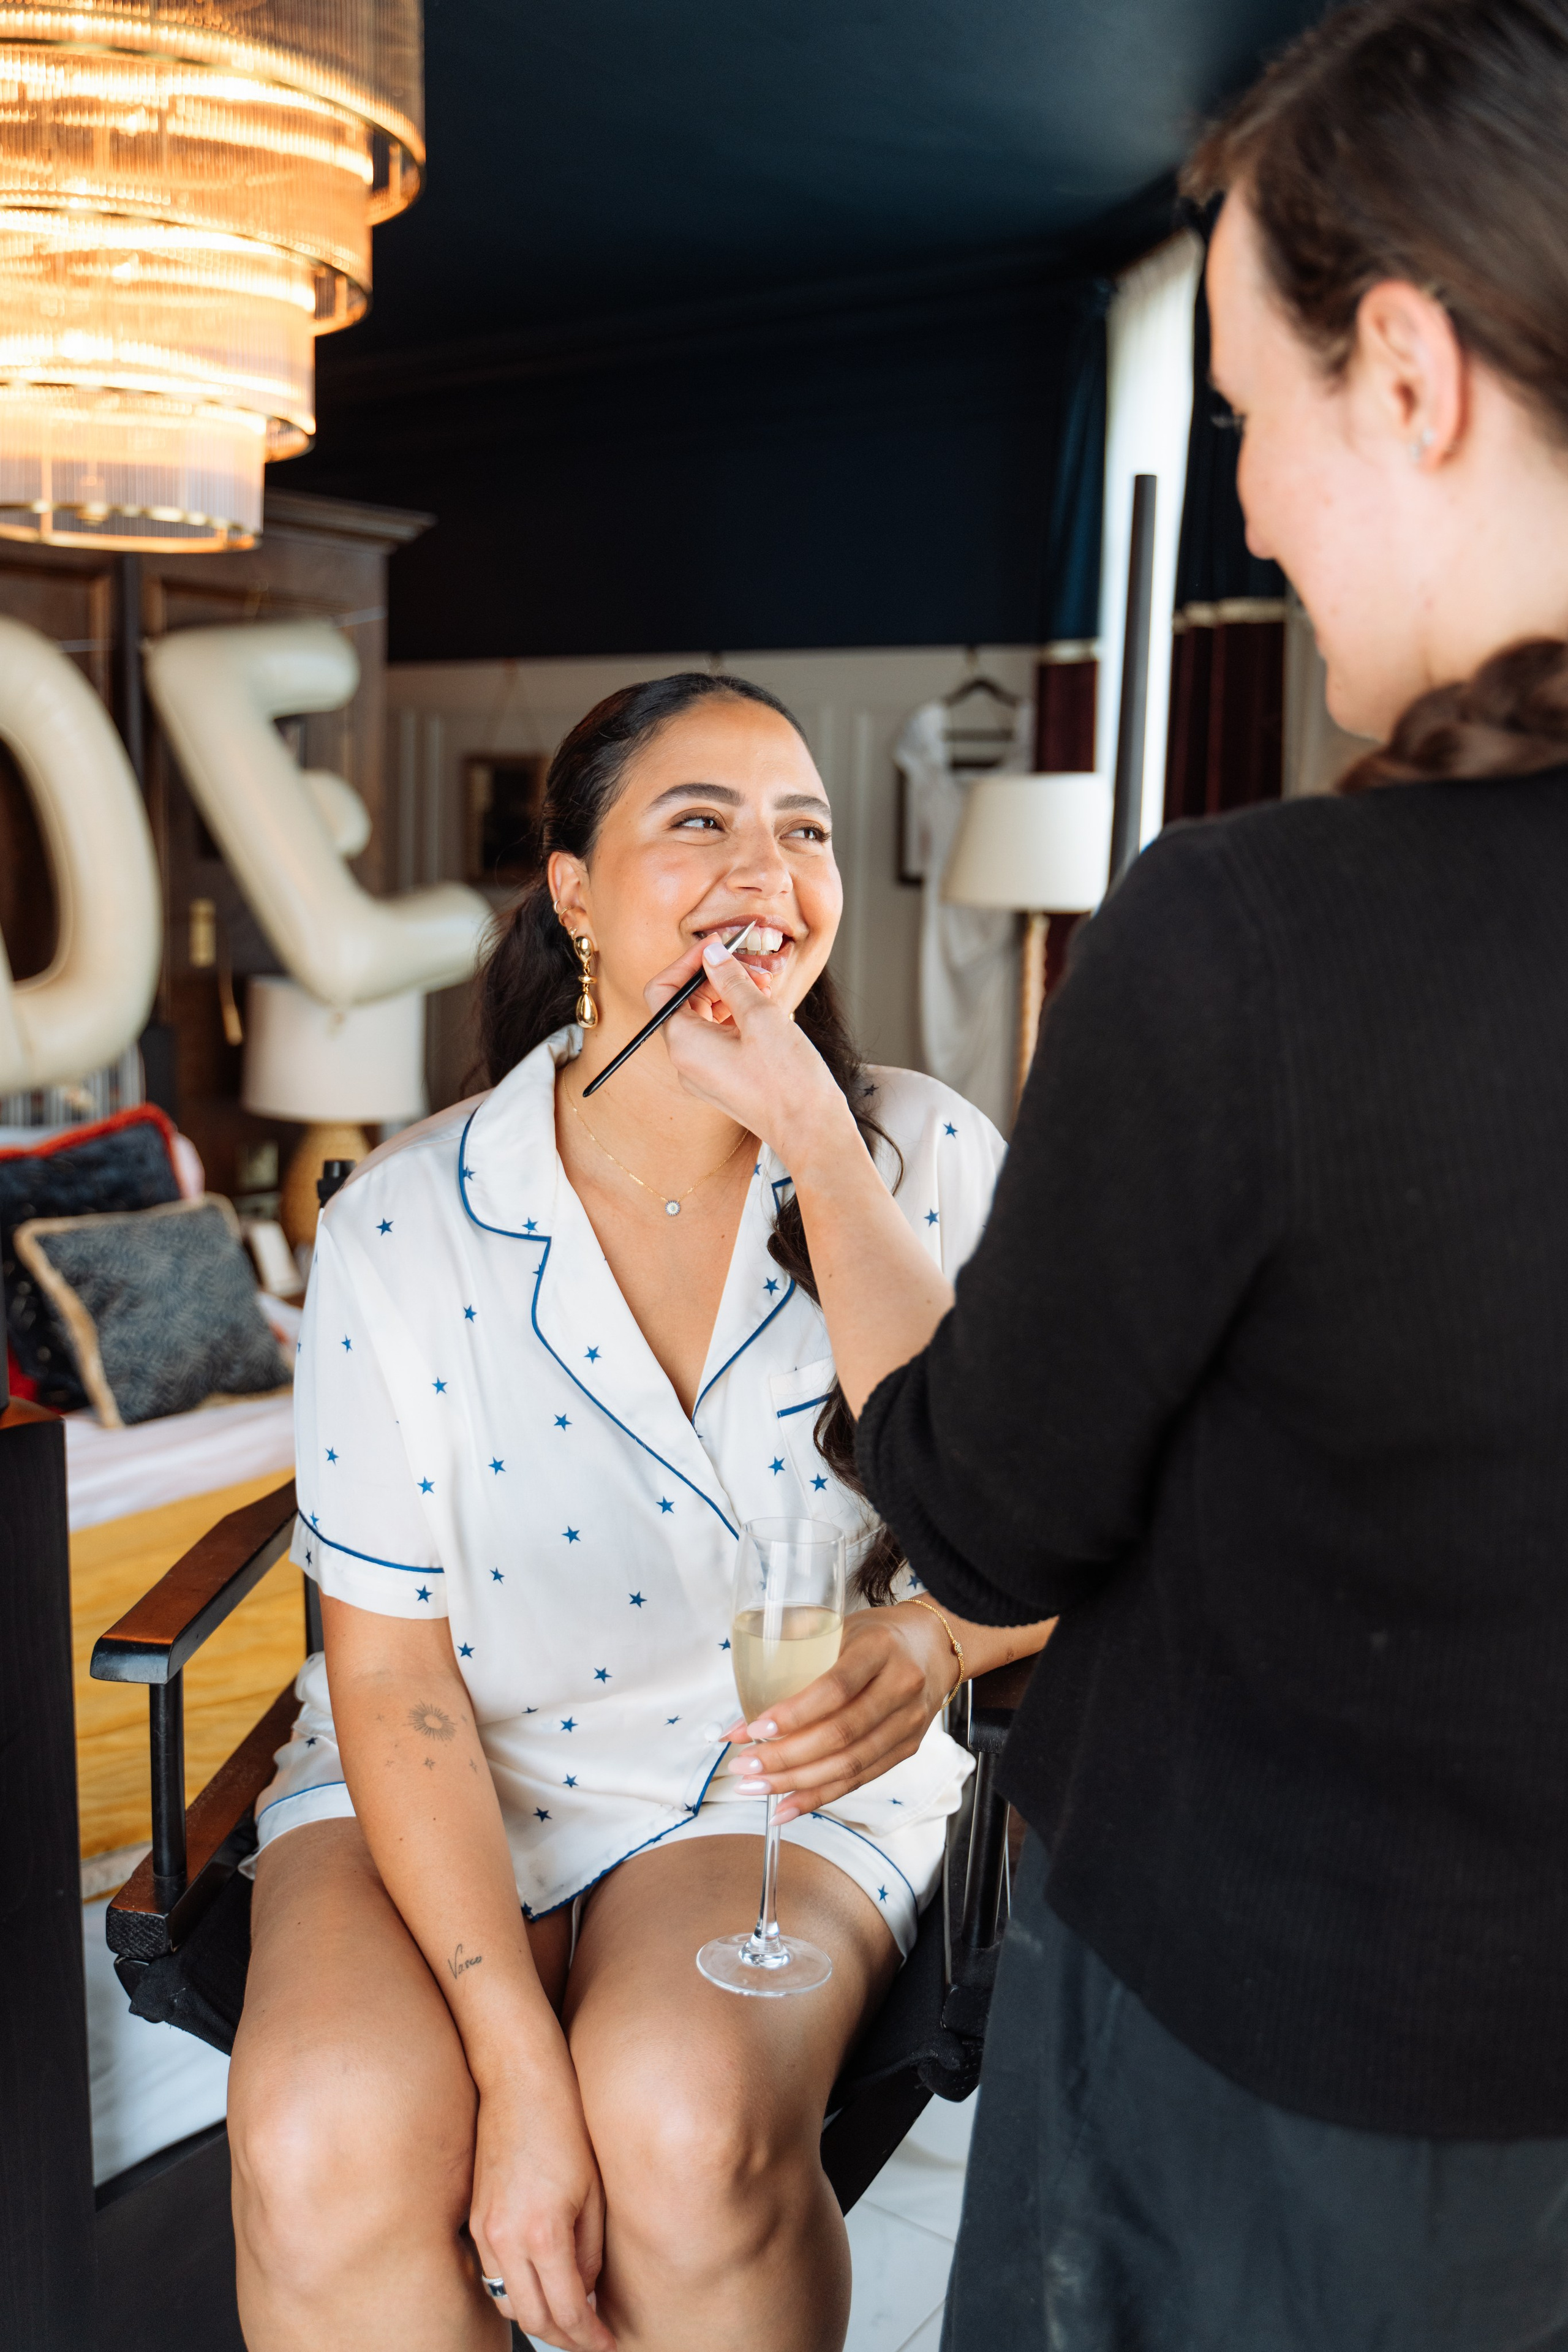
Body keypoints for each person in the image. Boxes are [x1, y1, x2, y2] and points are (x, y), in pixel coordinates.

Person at [655, 3, 1568, 2343]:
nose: (1249, 509)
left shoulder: (1259, 935)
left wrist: (808, 1143)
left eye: (1254, 424)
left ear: (1412, 366)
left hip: (1270, 2078)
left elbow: (981, 1509)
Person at [225, 670, 1051, 2352]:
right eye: (702, 821)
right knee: (323, 2137)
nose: (770, 865)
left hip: (767, 1776)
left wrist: (817, 1128)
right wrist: (515, 2073)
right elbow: (388, 1680)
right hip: (449, 1756)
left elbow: (1054, 1541)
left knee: (682, 2126)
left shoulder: (932, 1158)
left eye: (803, 830)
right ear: (577, 891)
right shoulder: (403, 1223)